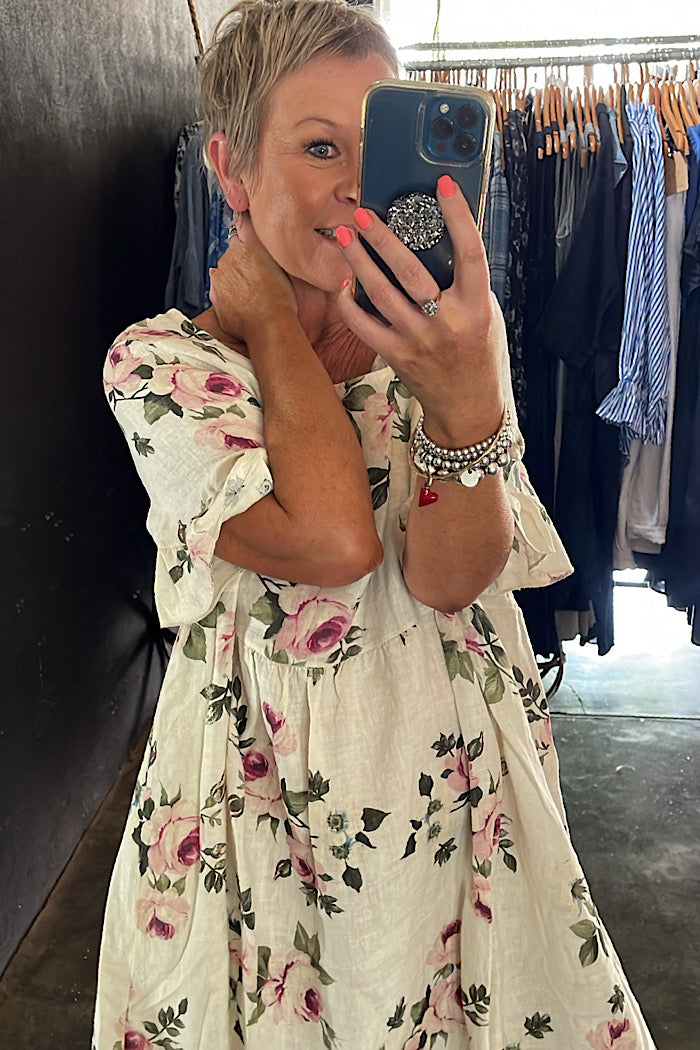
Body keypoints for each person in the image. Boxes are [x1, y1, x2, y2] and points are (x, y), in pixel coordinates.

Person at [94, 2, 657, 1048]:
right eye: (319, 148)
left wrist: (464, 397)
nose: (360, 186)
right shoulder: (163, 366)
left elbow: (453, 579)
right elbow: (333, 545)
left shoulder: (447, 338)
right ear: (230, 169)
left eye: (379, 144)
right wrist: (272, 325)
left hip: (454, 779)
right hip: (260, 790)